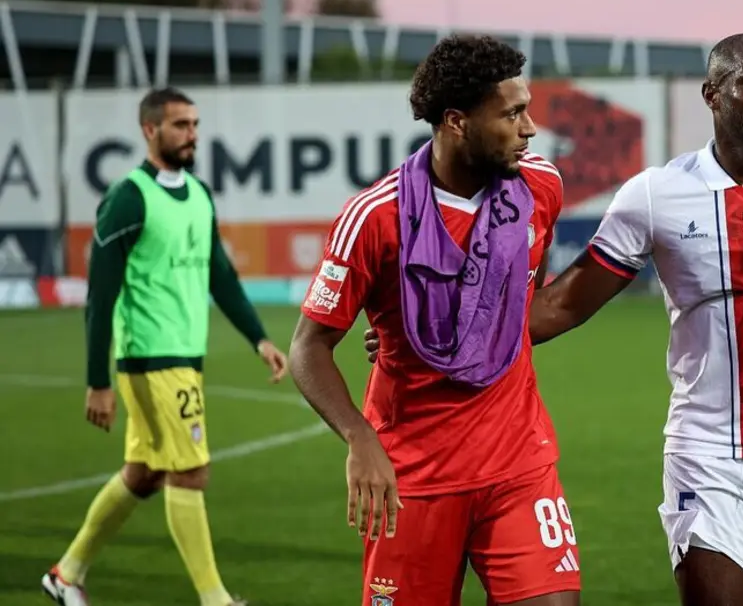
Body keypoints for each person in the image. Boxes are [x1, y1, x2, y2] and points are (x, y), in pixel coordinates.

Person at [390, 32, 743, 606]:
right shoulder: (657, 195)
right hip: (707, 453)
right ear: (712, 95)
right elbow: (563, 304)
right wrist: (435, 338)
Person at [288, 34, 579, 606]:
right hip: (413, 479)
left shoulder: (540, 186)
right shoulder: (375, 217)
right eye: (512, 113)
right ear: (456, 121)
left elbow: (516, 302)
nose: (530, 128)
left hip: (518, 465)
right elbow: (308, 347)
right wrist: (359, 437)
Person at [41, 87, 288, 606]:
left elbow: (218, 273)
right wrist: (97, 381)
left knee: (145, 473)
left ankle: (66, 574)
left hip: (183, 357)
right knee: (191, 470)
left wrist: (258, 337)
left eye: (195, 124)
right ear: (149, 130)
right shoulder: (128, 198)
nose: (191, 134)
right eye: (180, 125)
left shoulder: (199, 193)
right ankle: (215, 599)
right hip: (151, 360)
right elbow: (99, 298)